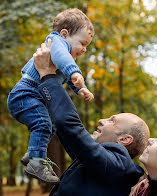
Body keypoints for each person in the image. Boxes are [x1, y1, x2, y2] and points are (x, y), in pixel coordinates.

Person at [33, 40, 150, 196]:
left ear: (125, 140)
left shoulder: (116, 164)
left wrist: (48, 77)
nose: (101, 120)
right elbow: (69, 133)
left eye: (112, 120)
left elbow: (70, 127)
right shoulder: (100, 164)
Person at [7, 8, 95, 185]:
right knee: (43, 123)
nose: (84, 49)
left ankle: (33, 152)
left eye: (87, 46)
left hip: (34, 97)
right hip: (25, 94)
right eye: (82, 43)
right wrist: (75, 72)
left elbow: (66, 72)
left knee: (52, 123)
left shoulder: (65, 55)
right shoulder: (55, 42)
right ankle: (36, 163)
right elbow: (64, 60)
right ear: (65, 34)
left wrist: (81, 89)